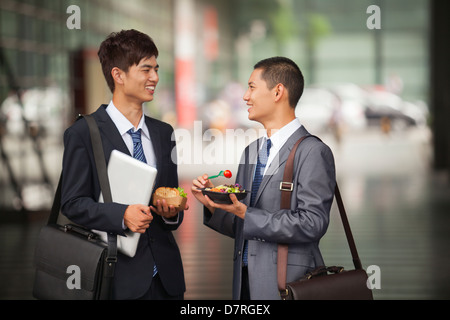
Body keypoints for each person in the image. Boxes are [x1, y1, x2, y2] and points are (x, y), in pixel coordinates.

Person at [192, 57, 336, 300]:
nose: (245, 97)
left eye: (251, 87)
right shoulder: (251, 151)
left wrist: (245, 213)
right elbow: (244, 225)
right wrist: (214, 205)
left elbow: (313, 223)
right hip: (245, 286)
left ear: (278, 91)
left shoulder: (312, 151)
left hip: (287, 287)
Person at [61, 29, 185, 300]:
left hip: (167, 280)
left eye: (156, 68)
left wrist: (171, 211)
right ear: (118, 75)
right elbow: (72, 204)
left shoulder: (164, 133)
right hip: (116, 279)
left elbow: (171, 202)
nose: (154, 77)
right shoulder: (83, 133)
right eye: (145, 69)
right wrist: (121, 215)